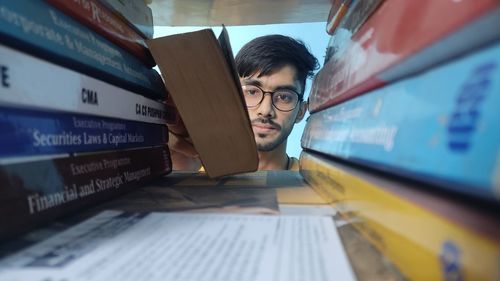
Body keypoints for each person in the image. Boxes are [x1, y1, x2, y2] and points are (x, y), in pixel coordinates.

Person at [169, 34, 318, 171]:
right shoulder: (193, 169)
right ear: (231, 98)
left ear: (301, 111)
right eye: (252, 92)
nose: (265, 110)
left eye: (284, 97)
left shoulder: (316, 185)